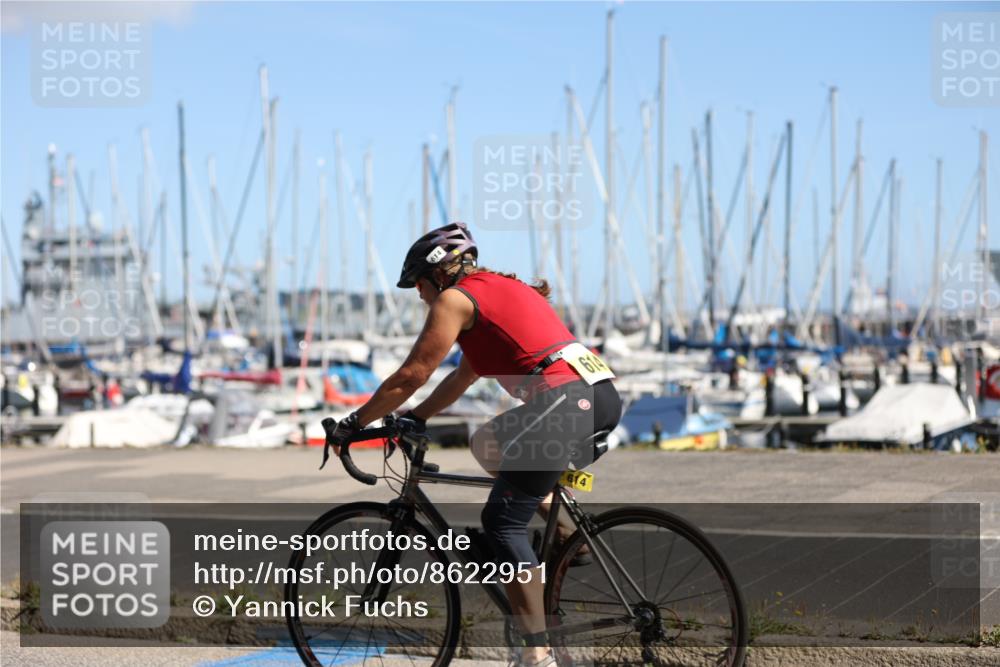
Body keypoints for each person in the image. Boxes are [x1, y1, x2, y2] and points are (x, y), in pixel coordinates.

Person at [327, 222, 622, 667]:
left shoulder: (455, 299)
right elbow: (463, 376)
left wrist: (354, 423)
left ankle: (537, 654)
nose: (421, 297)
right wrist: (416, 417)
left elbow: (413, 374)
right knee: (487, 442)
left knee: (502, 523)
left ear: (439, 274)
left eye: (419, 286)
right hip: (597, 395)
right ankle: (566, 530)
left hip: (564, 403)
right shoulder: (503, 289)